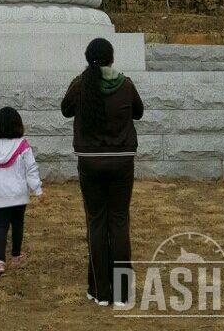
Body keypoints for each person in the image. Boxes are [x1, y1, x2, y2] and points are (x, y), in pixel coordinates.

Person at [60, 37, 144, 308]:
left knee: (96, 223)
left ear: (88, 58)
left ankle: (99, 291)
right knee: (118, 222)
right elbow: (139, 113)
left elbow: (65, 110)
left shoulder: (81, 85)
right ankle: (121, 293)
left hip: (90, 162)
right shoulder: (126, 84)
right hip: (121, 161)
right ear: (112, 58)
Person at [0, 106, 43, 276]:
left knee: (0, 226)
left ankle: (0, 262)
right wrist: (37, 190)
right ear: (18, 125)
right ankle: (16, 255)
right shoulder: (23, 145)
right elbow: (31, 169)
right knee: (17, 224)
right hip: (18, 195)